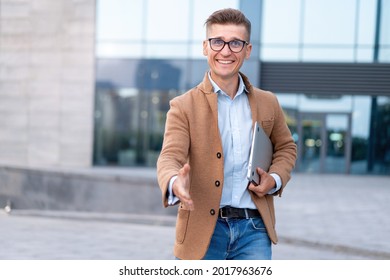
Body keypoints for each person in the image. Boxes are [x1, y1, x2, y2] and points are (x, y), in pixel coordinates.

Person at [157, 8, 297, 260]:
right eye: (217, 41)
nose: (225, 50)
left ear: (247, 50)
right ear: (205, 47)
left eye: (235, 43)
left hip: (254, 230)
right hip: (202, 232)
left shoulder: (268, 102)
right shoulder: (183, 105)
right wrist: (175, 182)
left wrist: (274, 178)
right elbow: (170, 157)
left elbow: (287, 147)